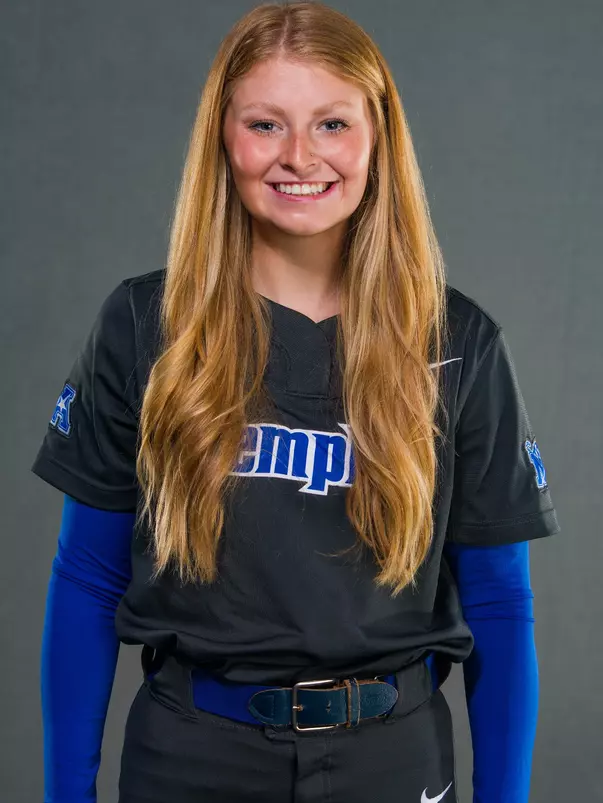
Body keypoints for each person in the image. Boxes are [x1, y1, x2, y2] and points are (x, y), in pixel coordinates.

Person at [31, 2, 561, 802]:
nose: (301, 156)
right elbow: (87, 578)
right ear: (223, 138)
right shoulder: (145, 326)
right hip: (190, 753)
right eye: (266, 124)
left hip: (393, 757)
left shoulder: (458, 342)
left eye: (332, 124)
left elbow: (498, 600)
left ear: (379, 139)